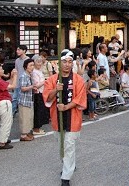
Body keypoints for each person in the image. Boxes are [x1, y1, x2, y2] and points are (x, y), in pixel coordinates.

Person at [43, 49, 87, 186]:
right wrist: (56, 89)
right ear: (59, 63)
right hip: (58, 119)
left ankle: (66, 177)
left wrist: (67, 107)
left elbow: (80, 99)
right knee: (62, 147)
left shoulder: (78, 80)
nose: (67, 65)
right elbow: (47, 97)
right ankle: (68, 165)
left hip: (73, 119)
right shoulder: (51, 80)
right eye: (64, 62)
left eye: (69, 62)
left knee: (69, 146)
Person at [0, 63, 17, 149]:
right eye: (0, 69)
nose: (2, 70)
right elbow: (12, 86)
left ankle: (4, 138)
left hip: (2, 102)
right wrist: (15, 76)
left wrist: (12, 77)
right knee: (6, 122)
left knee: (6, 121)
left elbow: (8, 84)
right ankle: (2, 142)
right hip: (4, 102)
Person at [18, 59, 35, 142]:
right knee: (24, 118)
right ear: (25, 67)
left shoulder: (29, 75)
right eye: (30, 65)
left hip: (29, 100)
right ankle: (23, 135)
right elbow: (23, 88)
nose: (32, 67)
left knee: (29, 117)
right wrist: (32, 86)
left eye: (33, 65)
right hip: (24, 100)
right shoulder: (24, 76)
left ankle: (27, 132)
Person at [32, 55, 48, 136]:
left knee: (41, 111)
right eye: (38, 62)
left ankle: (38, 127)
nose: (39, 64)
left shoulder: (39, 71)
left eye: (40, 62)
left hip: (42, 92)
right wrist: (45, 81)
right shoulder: (34, 72)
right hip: (37, 93)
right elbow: (36, 85)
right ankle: (36, 128)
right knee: (37, 111)